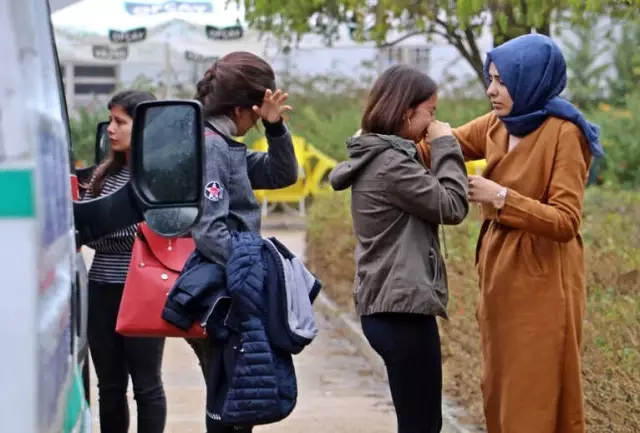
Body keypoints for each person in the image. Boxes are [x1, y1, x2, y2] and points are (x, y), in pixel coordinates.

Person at [421, 34, 602, 433]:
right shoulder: (497, 124)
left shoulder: (563, 133)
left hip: (544, 281)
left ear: (529, 80)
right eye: (491, 79)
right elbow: (435, 145)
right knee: (500, 384)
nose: (491, 90)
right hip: (500, 275)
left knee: (534, 387)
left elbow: (566, 221)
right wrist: (381, 139)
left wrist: (500, 196)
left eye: (501, 81)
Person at [329, 65, 469, 433]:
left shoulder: (381, 157)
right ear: (408, 112)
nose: (433, 121)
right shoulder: (391, 165)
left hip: (390, 307)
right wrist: (444, 142)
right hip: (401, 310)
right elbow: (451, 205)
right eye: (431, 112)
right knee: (422, 424)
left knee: (417, 420)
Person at [185, 51, 299, 433]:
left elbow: (282, 173)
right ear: (243, 108)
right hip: (226, 291)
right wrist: (255, 269)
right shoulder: (213, 146)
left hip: (235, 286)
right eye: (257, 113)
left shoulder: (224, 143)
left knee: (236, 397)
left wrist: (276, 128)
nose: (255, 123)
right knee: (229, 401)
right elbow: (209, 230)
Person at [83, 89, 168, 433]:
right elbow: (85, 227)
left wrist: (104, 228)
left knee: (147, 386)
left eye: (120, 122)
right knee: (110, 387)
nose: (110, 130)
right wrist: (118, 229)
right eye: (110, 121)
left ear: (144, 127)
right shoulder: (103, 175)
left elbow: (153, 229)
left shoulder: (160, 177)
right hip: (101, 288)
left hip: (143, 291)